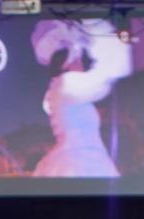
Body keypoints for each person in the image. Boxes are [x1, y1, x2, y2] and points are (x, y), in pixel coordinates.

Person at [31, 18, 132, 178]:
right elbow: (115, 68)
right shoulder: (68, 85)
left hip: (78, 159)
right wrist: (97, 26)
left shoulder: (60, 88)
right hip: (82, 162)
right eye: (78, 58)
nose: (82, 63)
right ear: (67, 62)